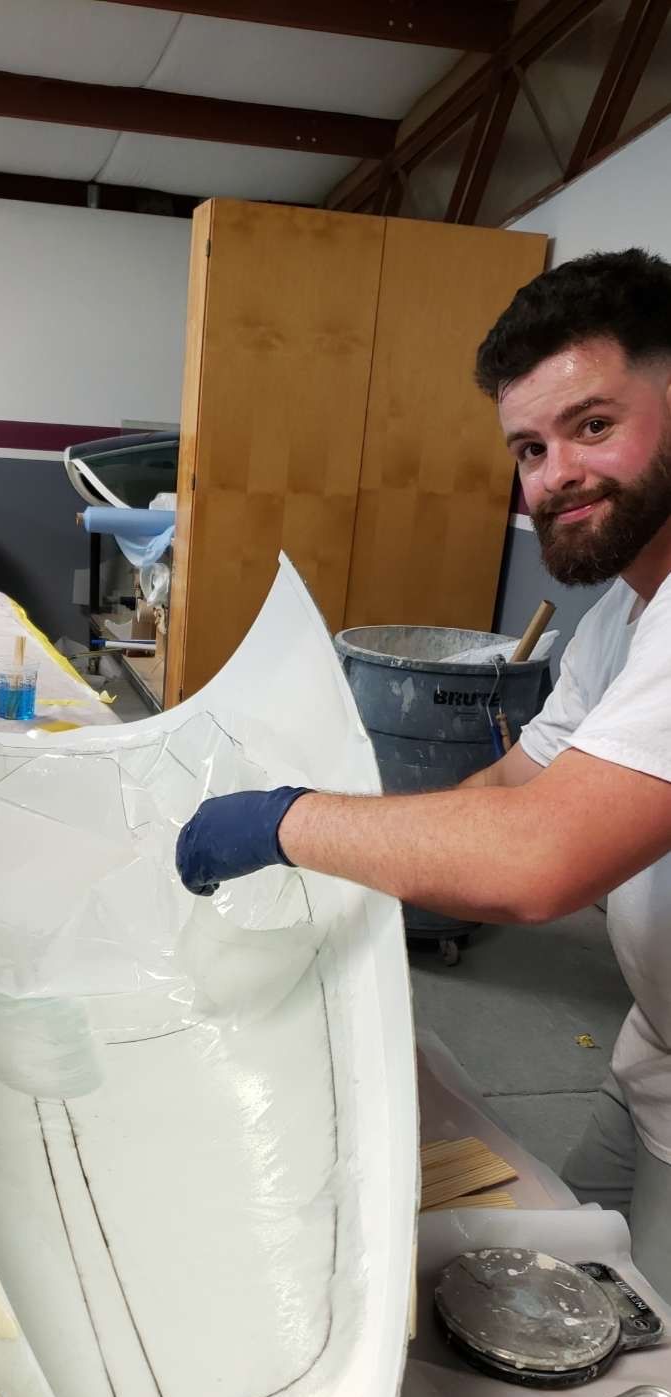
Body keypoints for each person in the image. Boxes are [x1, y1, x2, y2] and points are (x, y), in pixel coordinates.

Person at [175, 247, 671, 1299]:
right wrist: (351, 825)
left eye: (593, 426)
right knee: (566, 1286)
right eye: (529, 448)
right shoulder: (624, 615)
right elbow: (516, 785)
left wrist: (287, 822)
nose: (554, 476)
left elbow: (540, 860)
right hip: (653, 1060)